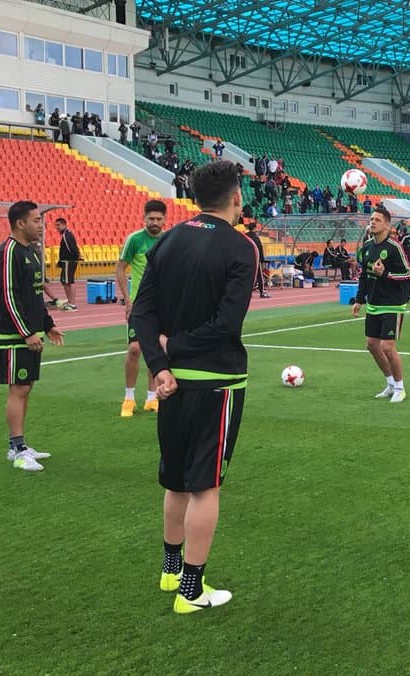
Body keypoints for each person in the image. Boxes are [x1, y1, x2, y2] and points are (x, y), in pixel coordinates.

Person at [130, 160, 257, 615]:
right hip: (216, 382)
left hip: (173, 384)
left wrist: (161, 363)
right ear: (236, 196)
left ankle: (170, 570)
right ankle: (191, 590)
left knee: (176, 478)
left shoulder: (167, 241)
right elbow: (227, 324)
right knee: (205, 486)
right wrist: (175, 349)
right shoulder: (241, 248)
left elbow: (140, 314)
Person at [0, 202, 63, 472]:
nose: (40, 225)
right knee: (18, 389)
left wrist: (47, 325)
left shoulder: (30, 252)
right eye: (35, 220)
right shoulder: (9, 252)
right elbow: (8, 297)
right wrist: (25, 333)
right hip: (15, 336)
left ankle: (19, 445)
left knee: (26, 388)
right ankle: (17, 449)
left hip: (31, 334)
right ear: (20, 223)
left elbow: (34, 295)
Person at [351, 205, 410, 403]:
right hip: (374, 304)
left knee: (387, 347)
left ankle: (400, 388)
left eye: (377, 220)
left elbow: (408, 274)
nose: (373, 222)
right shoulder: (367, 247)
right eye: (371, 219)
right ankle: (390, 384)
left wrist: (384, 274)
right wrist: (359, 300)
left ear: (387, 225)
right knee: (371, 345)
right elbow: (363, 276)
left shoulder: (394, 248)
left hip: (393, 305)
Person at [117, 200, 168, 417]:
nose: (154, 223)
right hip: (139, 305)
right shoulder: (135, 239)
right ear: (144, 218)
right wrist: (128, 300)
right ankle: (129, 397)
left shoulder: (168, 240)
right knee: (135, 348)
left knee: (155, 350)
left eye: (158, 219)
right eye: (151, 219)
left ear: (164, 219)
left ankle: (151, 397)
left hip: (162, 304)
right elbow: (120, 269)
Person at [55, 217, 81, 311]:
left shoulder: (66, 235)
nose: (57, 227)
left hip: (68, 262)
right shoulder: (66, 234)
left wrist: (76, 257)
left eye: (58, 225)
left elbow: (71, 248)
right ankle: (70, 302)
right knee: (65, 281)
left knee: (69, 281)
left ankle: (72, 304)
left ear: (64, 225)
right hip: (67, 261)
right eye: (56, 225)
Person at [244, 222, 270, 299]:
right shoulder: (255, 237)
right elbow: (260, 249)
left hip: (247, 258)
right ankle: (262, 292)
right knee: (259, 275)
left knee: (248, 275)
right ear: (255, 228)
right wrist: (262, 260)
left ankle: (247, 293)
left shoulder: (245, 236)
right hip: (255, 258)